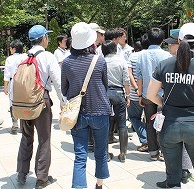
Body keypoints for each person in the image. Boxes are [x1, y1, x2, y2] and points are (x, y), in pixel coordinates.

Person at [147, 22, 194, 189]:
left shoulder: (164, 66)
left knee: (173, 177)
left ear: (178, 41)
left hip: (170, 125)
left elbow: (150, 95)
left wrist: (164, 103)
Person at [61, 22, 111, 189]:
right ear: (91, 41)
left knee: (80, 156)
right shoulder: (100, 60)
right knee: (100, 152)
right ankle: (99, 184)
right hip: (101, 111)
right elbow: (105, 86)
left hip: (79, 114)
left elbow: (64, 89)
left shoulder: (67, 62)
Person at [16, 25, 64, 189]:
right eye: (47, 37)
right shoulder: (48, 56)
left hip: (23, 103)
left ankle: (22, 174)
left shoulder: (22, 57)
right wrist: (63, 102)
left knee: (26, 137)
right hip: (41, 102)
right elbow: (57, 82)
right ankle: (41, 178)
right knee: (44, 139)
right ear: (43, 38)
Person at [136, 28, 171, 161]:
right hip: (162, 95)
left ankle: (153, 152)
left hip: (146, 94)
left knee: (149, 123)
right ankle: (163, 151)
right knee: (163, 122)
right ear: (162, 41)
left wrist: (140, 95)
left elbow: (139, 77)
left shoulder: (141, 55)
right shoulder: (166, 55)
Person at [164, 31, 194, 183]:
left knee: (174, 143)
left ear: (180, 44)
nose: (169, 46)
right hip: (187, 111)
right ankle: (180, 173)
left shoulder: (169, 64)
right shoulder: (170, 62)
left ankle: (180, 173)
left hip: (175, 110)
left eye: (172, 43)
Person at [102, 40, 130, 163]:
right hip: (119, 93)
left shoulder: (101, 62)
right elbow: (126, 80)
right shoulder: (121, 61)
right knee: (122, 124)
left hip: (105, 93)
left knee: (106, 124)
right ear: (115, 49)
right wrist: (128, 95)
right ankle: (123, 154)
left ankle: (106, 154)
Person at [127, 38, 148, 152]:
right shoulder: (147, 56)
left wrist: (135, 89)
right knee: (150, 120)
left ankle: (145, 140)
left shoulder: (132, 57)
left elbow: (129, 75)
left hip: (135, 94)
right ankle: (154, 142)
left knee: (134, 117)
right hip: (150, 94)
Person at [3, 39, 26, 134]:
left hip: (14, 83)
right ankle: (24, 124)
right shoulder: (26, 56)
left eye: (11, 48)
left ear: (14, 49)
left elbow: (7, 74)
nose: (10, 50)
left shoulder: (10, 59)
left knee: (12, 103)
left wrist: (5, 87)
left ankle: (15, 123)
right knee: (25, 102)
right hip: (25, 82)